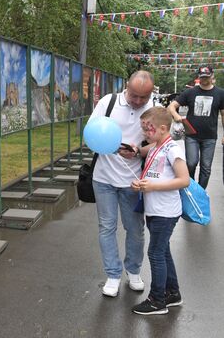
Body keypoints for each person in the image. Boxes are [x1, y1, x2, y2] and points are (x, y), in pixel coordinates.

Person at [90, 70, 154, 297]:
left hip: (133, 182)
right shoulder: (108, 102)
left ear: (150, 95)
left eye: (143, 98)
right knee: (106, 227)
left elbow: (159, 143)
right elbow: (90, 133)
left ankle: (134, 271)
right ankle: (113, 274)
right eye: (134, 95)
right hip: (104, 178)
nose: (137, 102)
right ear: (126, 87)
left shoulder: (152, 109)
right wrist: (109, 145)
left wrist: (138, 151)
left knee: (135, 229)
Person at [130, 107, 190, 315]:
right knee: (163, 251)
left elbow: (184, 180)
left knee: (155, 253)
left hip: (166, 212)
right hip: (155, 210)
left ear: (163, 128)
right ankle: (172, 293)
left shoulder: (173, 149)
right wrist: (143, 183)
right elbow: (145, 156)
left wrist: (152, 186)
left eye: (148, 130)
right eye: (144, 129)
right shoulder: (157, 145)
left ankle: (157, 300)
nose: (145, 133)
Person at [168, 65, 224, 189]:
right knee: (191, 163)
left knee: (206, 167)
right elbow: (171, 106)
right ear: (199, 77)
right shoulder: (190, 92)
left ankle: (200, 192)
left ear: (212, 76)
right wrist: (176, 116)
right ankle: (190, 188)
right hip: (191, 136)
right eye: (202, 77)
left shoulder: (220, 93)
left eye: (207, 77)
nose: (204, 79)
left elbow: (223, 114)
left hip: (210, 137)